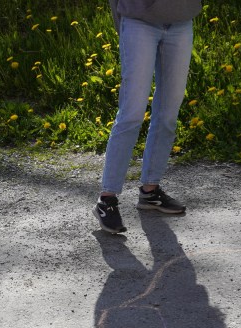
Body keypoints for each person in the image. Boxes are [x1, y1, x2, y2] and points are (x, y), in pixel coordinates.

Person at [93, 0, 202, 235]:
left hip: (182, 22)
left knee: (168, 115)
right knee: (131, 114)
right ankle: (107, 199)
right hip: (138, 21)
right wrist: (124, 20)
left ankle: (150, 191)